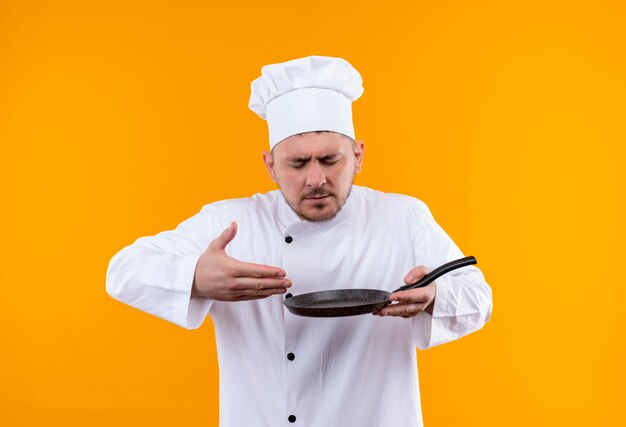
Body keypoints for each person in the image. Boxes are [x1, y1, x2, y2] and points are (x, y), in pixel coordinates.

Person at [106, 55, 492, 427]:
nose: (315, 179)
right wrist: (194, 276)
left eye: (330, 160)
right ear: (269, 165)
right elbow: (122, 271)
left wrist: (434, 296)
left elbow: (479, 296)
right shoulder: (229, 222)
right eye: (296, 163)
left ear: (358, 156)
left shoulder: (402, 216)